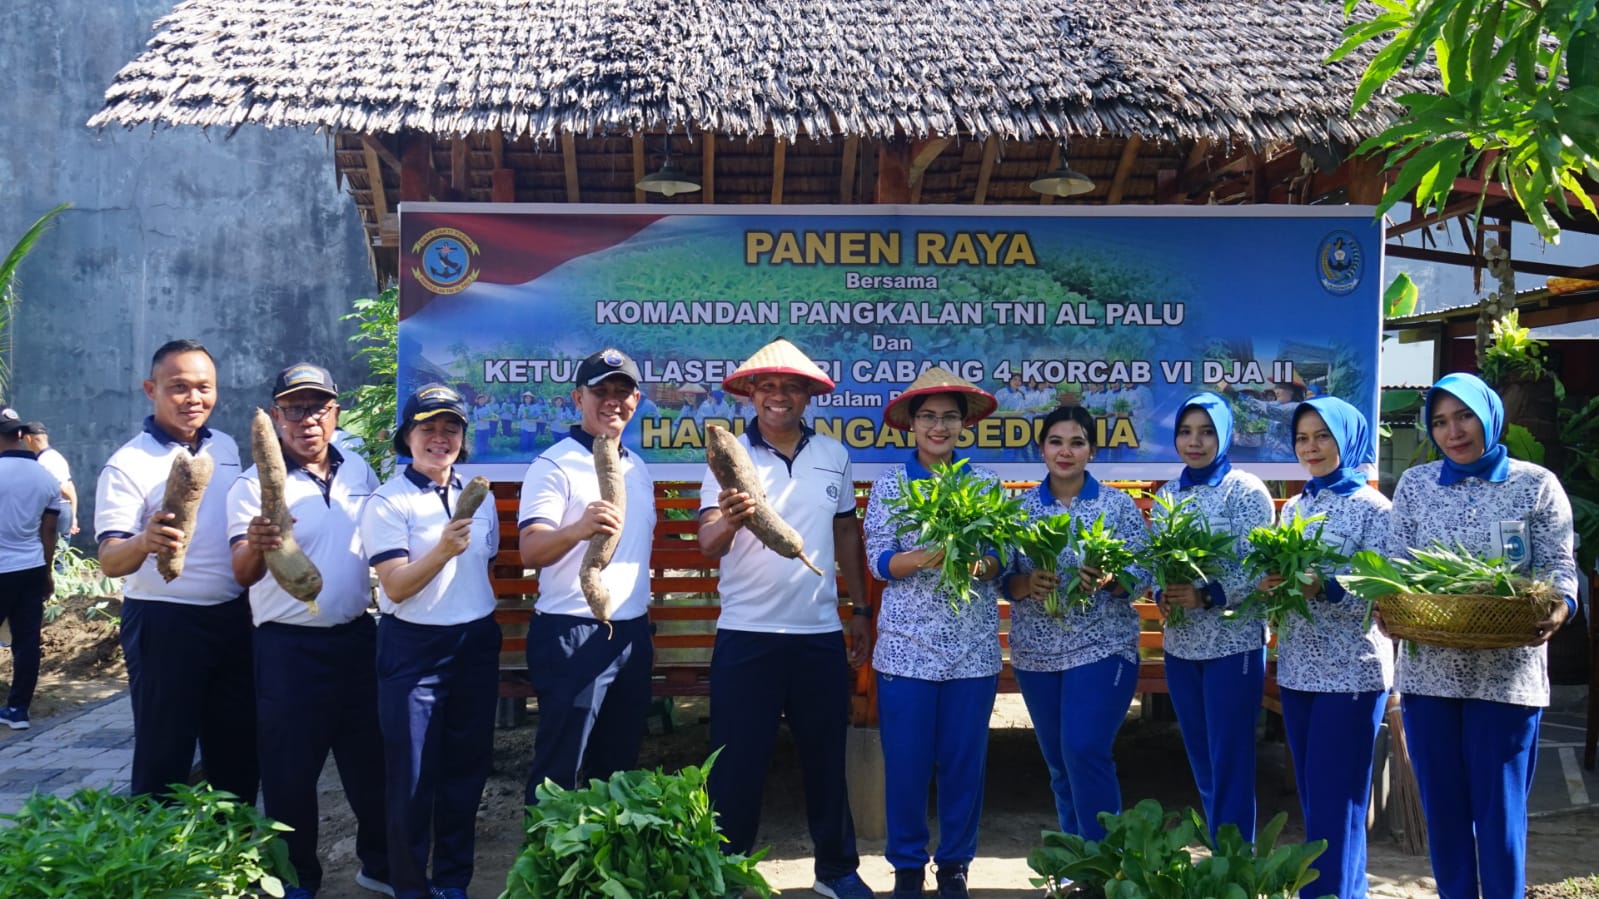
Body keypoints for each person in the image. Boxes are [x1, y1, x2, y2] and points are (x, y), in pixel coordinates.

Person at [1386, 372, 1577, 899]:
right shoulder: (1417, 486)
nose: (1454, 432)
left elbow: (1560, 568)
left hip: (1507, 679)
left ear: (1490, 417)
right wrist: (1387, 605)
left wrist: (1561, 607)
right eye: (1441, 421)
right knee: (1444, 813)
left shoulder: (1534, 484)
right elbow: (1397, 568)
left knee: (1499, 815)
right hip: (1430, 676)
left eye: (1465, 416)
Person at [696, 339, 875, 899]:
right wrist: (729, 521)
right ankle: (727, 874)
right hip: (747, 635)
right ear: (752, 394)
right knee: (736, 767)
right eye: (768, 386)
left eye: (791, 386)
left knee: (826, 760)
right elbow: (706, 544)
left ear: (808, 395)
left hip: (817, 633)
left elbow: (846, 531)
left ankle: (837, 871)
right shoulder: (727, 459)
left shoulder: (834, 455)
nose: (779, 396)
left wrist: (859, 608)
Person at [227, 364, 391, 899]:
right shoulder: (252, 486)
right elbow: (242, 575)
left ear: (335, 413)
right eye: (294, 409)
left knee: (371, 762)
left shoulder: (359, 471)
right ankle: (298, 877)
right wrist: (256, 541)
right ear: (276, 417)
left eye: (318, 407)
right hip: (287, 647)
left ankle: (379, 863)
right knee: (289, 773)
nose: (307, 420)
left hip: (355, 637)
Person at [863, 368, 1004, 899]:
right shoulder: (890, 485)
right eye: (928, 417)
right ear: (912, 424)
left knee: (964, 764)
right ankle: (905, 869)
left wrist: (980, 565)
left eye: (949, 417)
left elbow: (1001, 559)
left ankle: (954, 868)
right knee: (906, 766)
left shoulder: (984, 484)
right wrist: (922, 557)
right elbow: (878, 561)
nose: (938, 426)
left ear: (963, 424)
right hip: (906, 652)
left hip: (971, 652)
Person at [95, 339, 257, 801]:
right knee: (164, 753)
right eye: (178, 387)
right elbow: (109, 559)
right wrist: (145, 541)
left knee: (237, 750)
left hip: (231, 617)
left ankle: (233, 859)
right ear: (152, 389)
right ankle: (157, 863)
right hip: (164, 622)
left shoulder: (224, 446)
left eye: (203, 387)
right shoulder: (128, 463)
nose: (193, 398)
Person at [360, 383, 501, 899]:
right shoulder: (387, 501)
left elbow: (483, 562)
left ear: (463, 439)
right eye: (428, 428)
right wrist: (441, 550)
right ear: (407, 437)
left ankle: (452, 882)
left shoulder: (479, 495)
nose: (440, 438)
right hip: (414, 651)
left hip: (474, 644)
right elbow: (395, 584)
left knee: (466, 773)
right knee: (412, 779)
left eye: (451, 428)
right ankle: (409, 887)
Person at [1263, 396, 1392, 899]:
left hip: (1352, 672)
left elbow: (1387, 583)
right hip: (1299, 670)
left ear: (1348, 439)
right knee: (1318, 797)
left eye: (1323, 436)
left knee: (1339, 800)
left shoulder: (1375, 509)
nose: (1311, 447)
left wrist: (1330, 585)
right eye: (1302, 438)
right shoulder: (1296, 506)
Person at [1004, 405, 1150, 840]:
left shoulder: (1118, 506)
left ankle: (1110, 867)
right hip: (1036, 652)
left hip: (1103, 646)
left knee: (1085, 750)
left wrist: (1110, 581)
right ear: (1041, 448)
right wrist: (1028, 582)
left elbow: (1142, 578)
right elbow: (1001, 581)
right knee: (1060, 764)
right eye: (1055, 441)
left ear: (1092, 451)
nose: (1065, 452)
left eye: (1076, 442)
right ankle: (1077, 867)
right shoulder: (1021, 508)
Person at [517, 349, 656, 803]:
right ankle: (545, 869)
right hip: (571, 630)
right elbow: (530, 550)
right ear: (578, 397)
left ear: (636, 399)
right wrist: (577, 529)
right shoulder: (554, 464)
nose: (612, 401)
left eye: (622, 392)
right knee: (561, 771)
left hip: (630, 633)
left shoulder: (637, 466)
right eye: (600, 392)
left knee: (617, 772)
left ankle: (602, 874)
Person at [1153, 392, 1274, 841]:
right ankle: (1225, 860)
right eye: (1186, 431)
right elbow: (1156, 564)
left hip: (1233, 644)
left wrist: (1208, 595)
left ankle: (1238, 865)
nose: (1195, 441)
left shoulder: (1245, 489)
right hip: (1181, 647)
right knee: (1201, 756)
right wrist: (1159, 591)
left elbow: (1259, 564)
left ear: (1224, 435)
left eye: (1206, 431)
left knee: (1231, 758)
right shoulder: (1169, 494)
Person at [0, 408, 63, 730]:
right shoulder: (46, 477)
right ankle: (18, 710)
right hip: (31, 567)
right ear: (21, 436)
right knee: (27, 642)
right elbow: (49, 531)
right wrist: (47, 572)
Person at [21, 422, 77, 544]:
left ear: (28, 438)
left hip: (55, 512)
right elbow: (70, 486)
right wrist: (73, 514)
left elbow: (63, 489)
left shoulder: (44, 461)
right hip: (63, 509)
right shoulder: (56, 456)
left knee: (55, 557)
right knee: (59, 555)